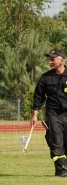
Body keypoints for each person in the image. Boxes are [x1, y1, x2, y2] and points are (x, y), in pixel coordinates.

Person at [31, 49, 67, 177]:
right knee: (56, 140)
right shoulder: (45, 77)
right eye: (50, 59)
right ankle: (62, 169)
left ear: (61, 60)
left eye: (53, 59)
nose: (50, 61)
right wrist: (35, 114)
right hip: (53, 114)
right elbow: (38, 96)